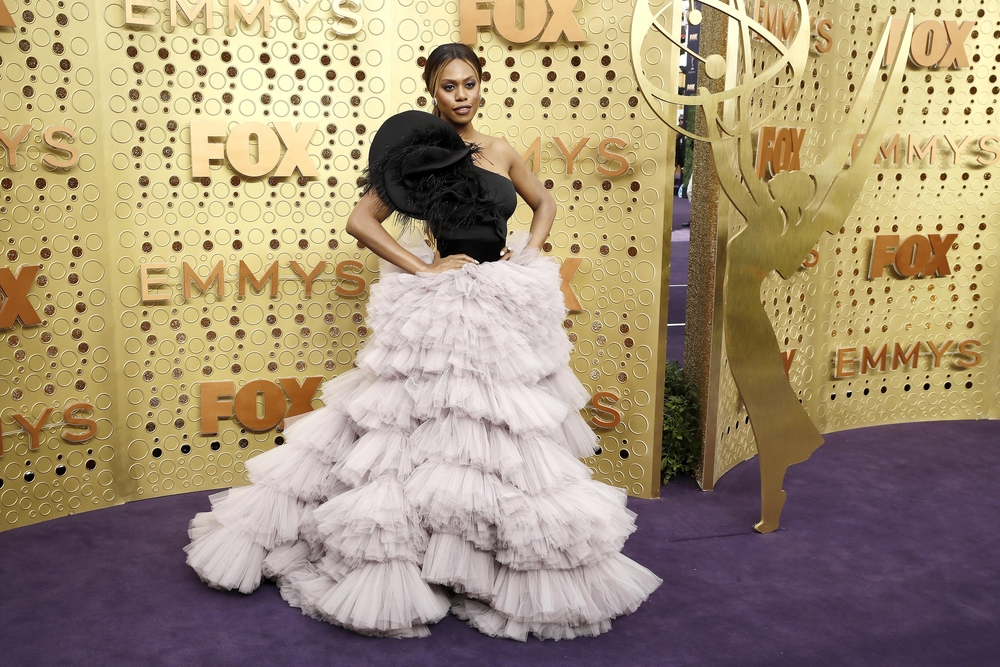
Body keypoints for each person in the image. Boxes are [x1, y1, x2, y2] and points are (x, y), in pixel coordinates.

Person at [185, 43, 661, 641]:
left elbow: (544, 202)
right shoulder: (419, 155)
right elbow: (361, 221)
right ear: (432, 93)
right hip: (445, 302)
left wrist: (530, 247)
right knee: (423, 433)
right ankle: (418, 556)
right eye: (447, 86)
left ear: (482, 86)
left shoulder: (504, 150)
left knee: (500, 435)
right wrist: (422, 267)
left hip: (503, 298)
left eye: (468, 84)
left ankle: (476, 558)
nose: (460, 96)